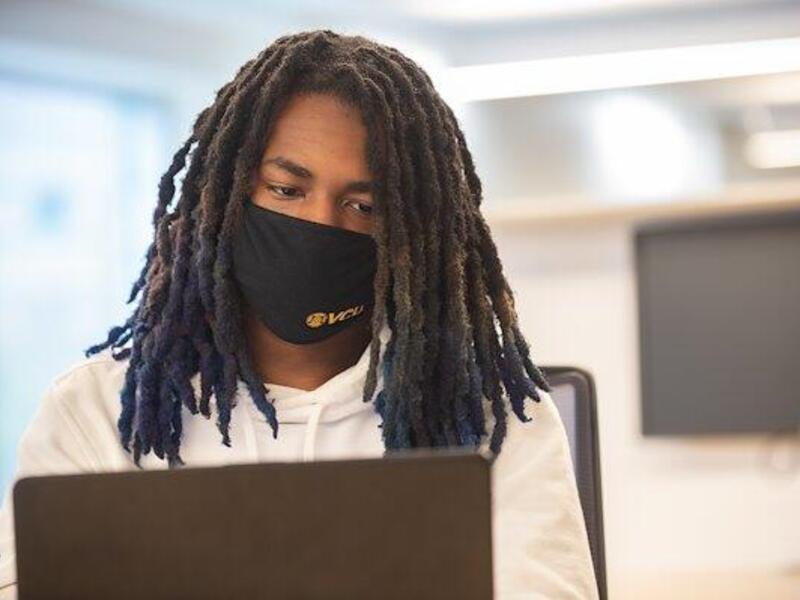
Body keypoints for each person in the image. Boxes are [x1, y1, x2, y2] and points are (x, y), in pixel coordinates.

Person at [0, 29, 598, 599]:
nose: (320, 225)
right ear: (225, 195)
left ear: (412, 233)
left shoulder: (494, 420)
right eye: (286, 190)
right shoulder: (100, 411)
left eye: (363, 205)